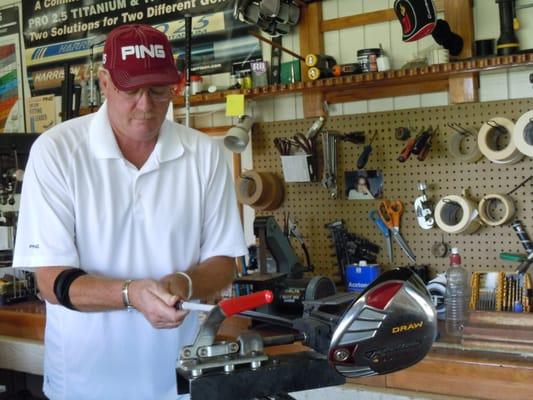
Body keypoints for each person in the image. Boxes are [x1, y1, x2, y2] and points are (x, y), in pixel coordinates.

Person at [13, 24, 247, 400]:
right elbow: (49, 281)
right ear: (104, 83)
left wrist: (183, 284)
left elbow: (224, 261)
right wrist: (129, 293)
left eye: (158, 91)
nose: (146, 106)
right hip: (85, 383)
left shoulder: (205, 154)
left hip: (179, 381)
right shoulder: (57, 152)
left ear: (177, 85)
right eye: (131, 90)